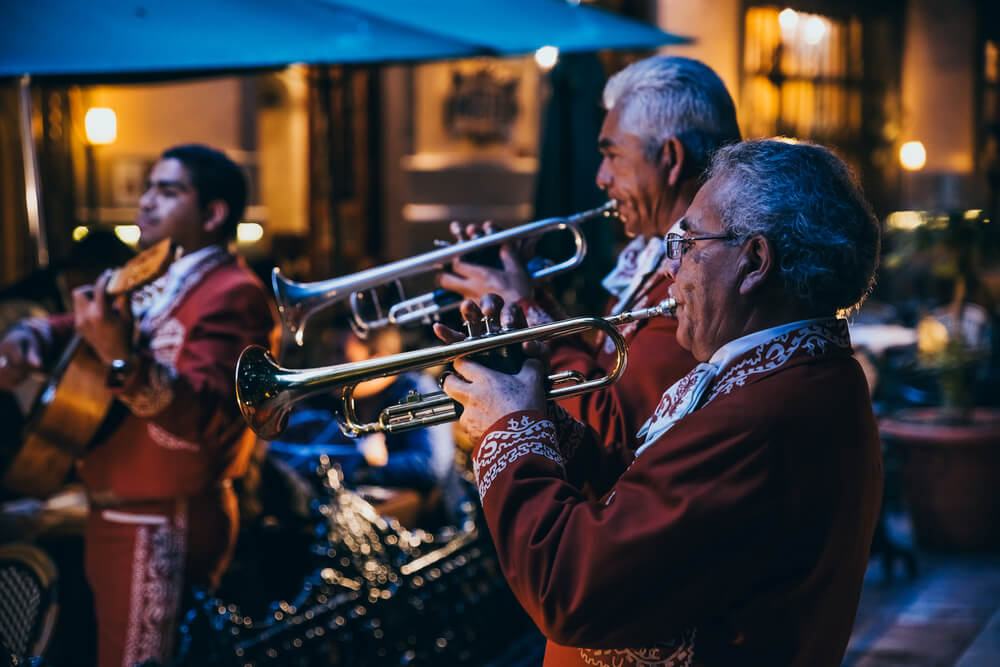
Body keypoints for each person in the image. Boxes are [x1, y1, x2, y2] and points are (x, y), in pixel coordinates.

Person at [438, 139, 884, 666]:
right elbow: (653, 503)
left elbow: (572, 588)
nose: (671, 271)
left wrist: (510, 430)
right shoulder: (783, 377)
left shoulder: (766, 414)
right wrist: (543, 416)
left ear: (754, 262)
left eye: (689, 244)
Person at [0, 144, 275, 667]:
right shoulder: (147, 275)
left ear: (213, 214)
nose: (145, 202)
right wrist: (29, 335)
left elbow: (212, 419)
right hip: (117, 508)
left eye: (168, 191)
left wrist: (122, 358)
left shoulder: (233, 293)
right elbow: (73, 324)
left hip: (166, 520)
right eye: (148, 187)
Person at [438, 55, 741, 457]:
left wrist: (521, 303)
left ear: (670, 158)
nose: (601, 177)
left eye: (613, 155)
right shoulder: (653, 257)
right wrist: (533, 296)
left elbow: (612, 428)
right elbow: (600, 365)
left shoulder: (699, 277)